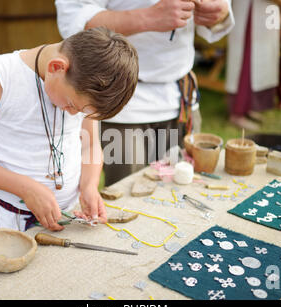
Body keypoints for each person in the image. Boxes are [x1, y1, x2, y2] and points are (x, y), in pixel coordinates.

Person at [0, 27, 139, 233]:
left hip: (70, 214)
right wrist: (26, 188)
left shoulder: (84, 80)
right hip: (12, 220)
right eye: (71, 105)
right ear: (56, 67)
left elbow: (90, 144)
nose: (74, 114)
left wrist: (89, 186)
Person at [56, 0, 235, 186]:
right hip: (124, 106)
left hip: (180, 97)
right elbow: (73, 18)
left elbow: (220, 14)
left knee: (182, 190)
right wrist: (148, 17)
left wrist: (219, 13)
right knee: (128, 199)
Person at [225, 0, 281, 131]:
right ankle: (238, 111)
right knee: (246, 63)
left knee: (259, 62)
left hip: (265, 14)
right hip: (249, 14)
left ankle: (248, 106)